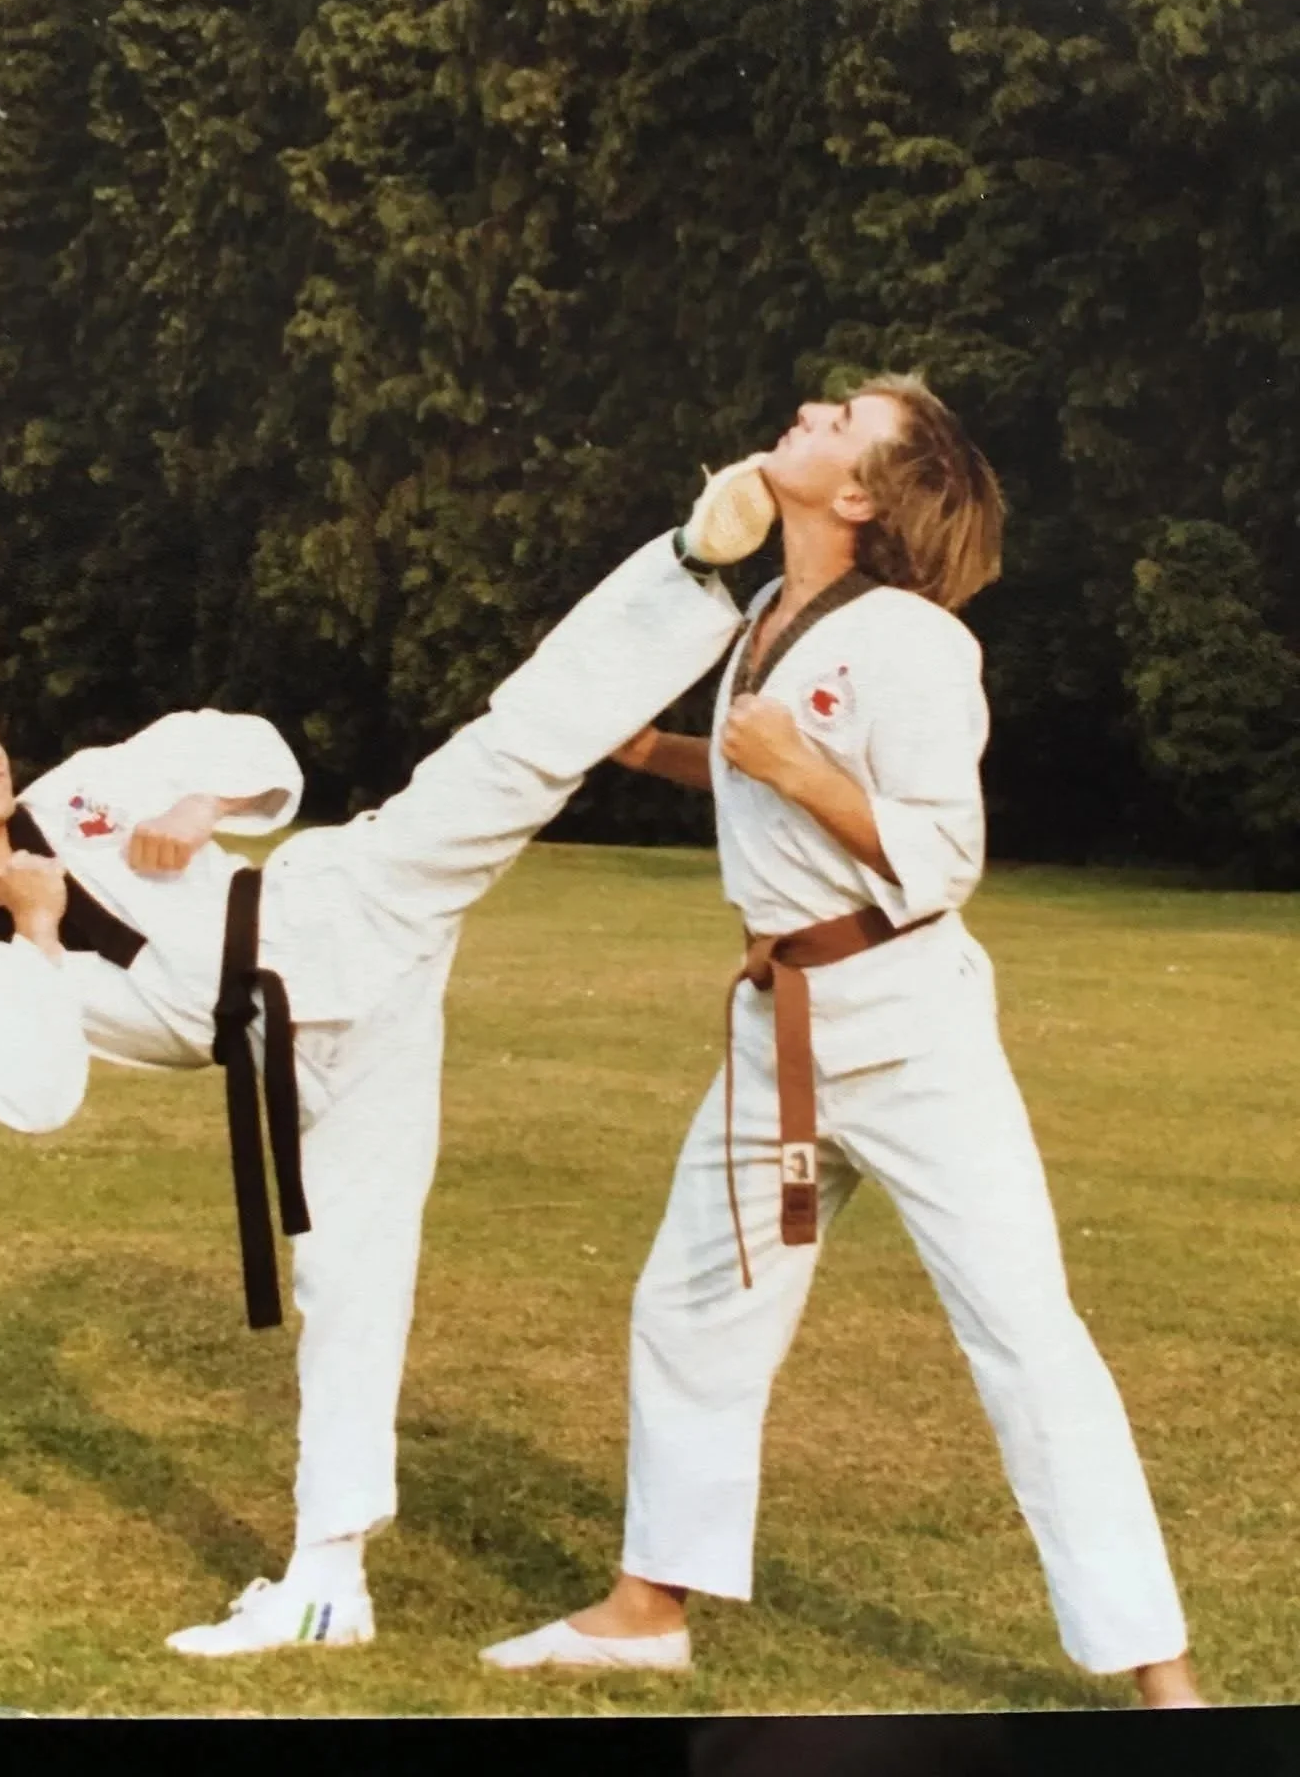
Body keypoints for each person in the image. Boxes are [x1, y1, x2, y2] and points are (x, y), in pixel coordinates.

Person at [0, 525, 752, 1657]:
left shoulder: (83, 790)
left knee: (503, 759)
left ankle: (691, 561)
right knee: (350, 1285)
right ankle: (327, 1585)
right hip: (300, 1055)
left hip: (333, 911)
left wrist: (205, 802)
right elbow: (36, 1097)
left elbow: (256, 744)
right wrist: (32, 928)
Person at [479, 374, 1203, 1709]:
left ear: (865, 494)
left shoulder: (921, 646)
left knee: (1025, 1336)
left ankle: (1164, 1681)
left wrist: (799, 770)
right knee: (691, 1307)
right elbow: (757, 765)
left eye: (841, 418)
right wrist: (644, 750)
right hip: (780, 1030)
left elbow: (946, 849)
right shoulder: (763, 610)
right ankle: (648, 1610)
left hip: (911, 1027)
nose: (809, 408)